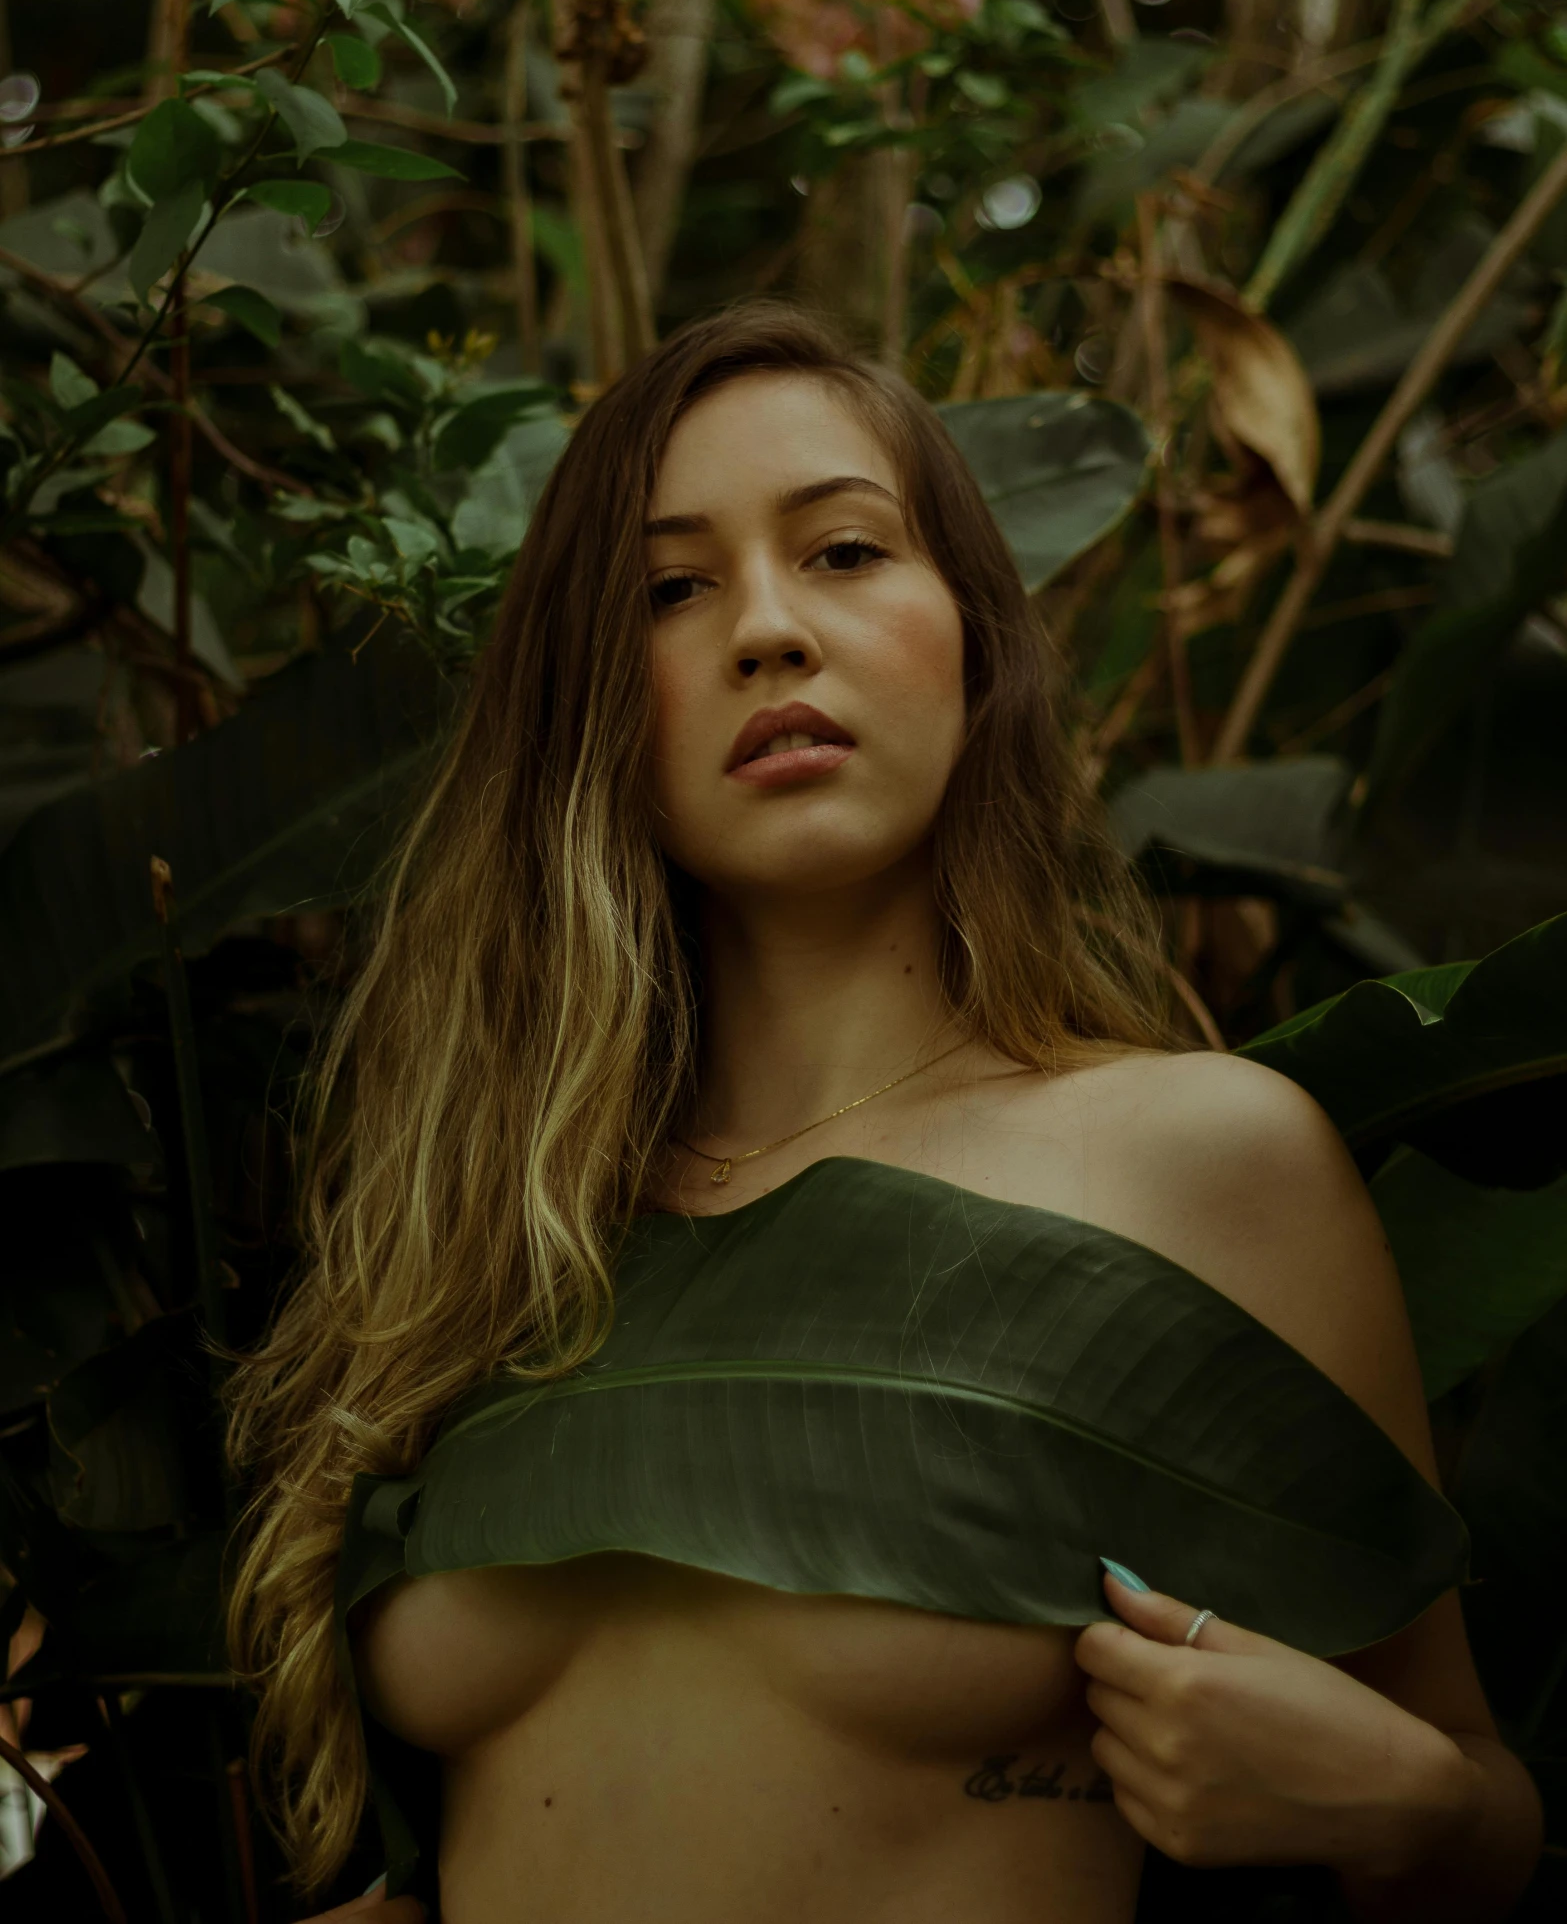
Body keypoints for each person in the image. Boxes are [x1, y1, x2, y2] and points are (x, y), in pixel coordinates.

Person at [227, 303, 1542, 1924]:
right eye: (668, 589)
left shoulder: (1197, 1162)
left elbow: (1478, 1813)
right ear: (590, 703)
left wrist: (1396, 1801)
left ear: (971, 635)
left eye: (842, 552)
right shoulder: (498, 1241)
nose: (766, 631)